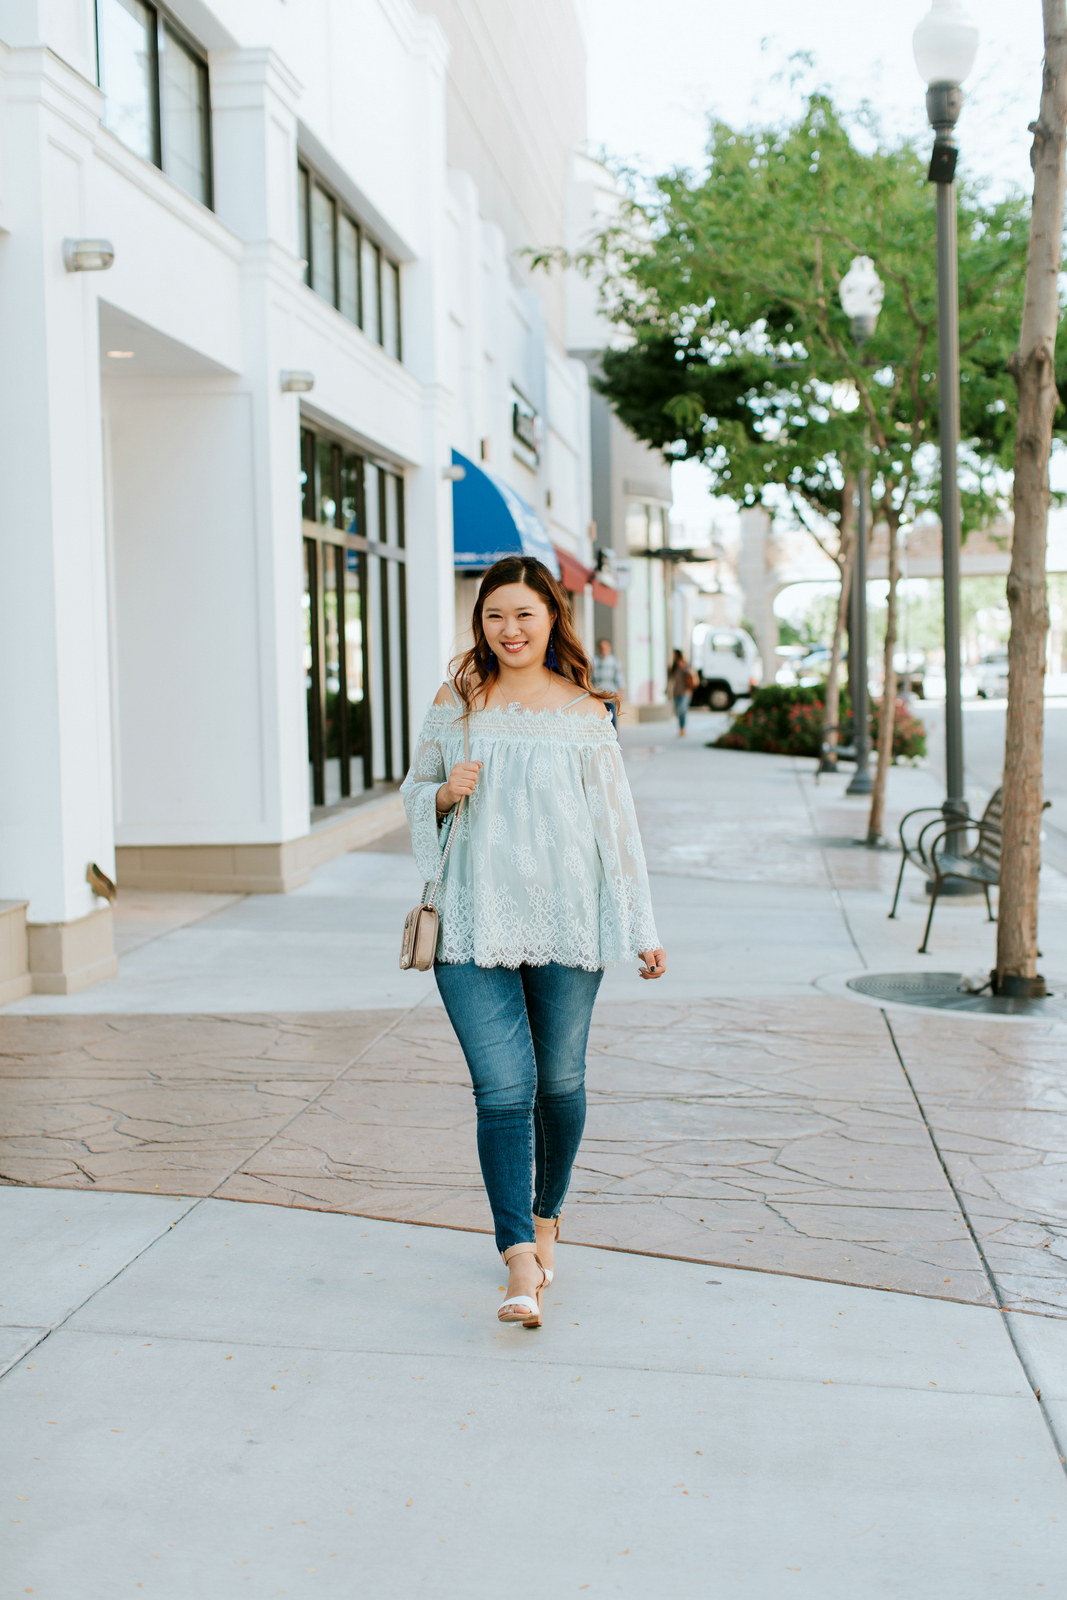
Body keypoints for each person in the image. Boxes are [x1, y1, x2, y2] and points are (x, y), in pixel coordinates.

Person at [401, 557, 666, 1330]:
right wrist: (442, 796)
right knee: (502, 1091)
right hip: (470, 920)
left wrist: (640, 925)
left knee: (559, 1083)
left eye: (524, 614)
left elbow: (615, 830)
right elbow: (415, 790)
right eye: (493, 616)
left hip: (566, 920)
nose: (508, 630)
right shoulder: (456, 703)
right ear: (479, 623)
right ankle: (518, 1255)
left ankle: (546, 1212)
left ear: (552, 616)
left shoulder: (586, 713)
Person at [591, 637, 625, 729]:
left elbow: (619, 678)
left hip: (610, 694)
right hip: (598, 695)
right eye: (601, 648)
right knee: (599, 718)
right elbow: (590, 679)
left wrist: (621, 694)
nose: (603, 650)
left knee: (612, 718)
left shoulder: (614, 662)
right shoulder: (594, 661)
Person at [668, 648, 695, 737]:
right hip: (676, 692)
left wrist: (689, 690)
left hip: (684, 691)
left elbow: (690, 675)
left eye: (675, 654)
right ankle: (681, 728)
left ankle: (683, 728)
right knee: (678, 711)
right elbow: (671, 677)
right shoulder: (674, 666)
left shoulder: (684, 664)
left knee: (682, 710)